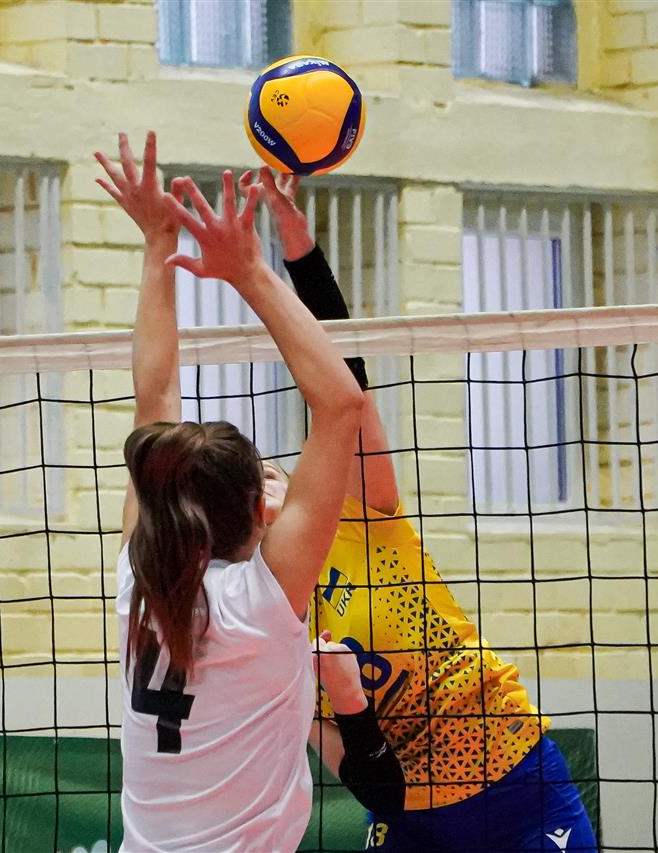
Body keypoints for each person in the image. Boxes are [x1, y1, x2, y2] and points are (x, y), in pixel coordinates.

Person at [244, 165, 598, 852]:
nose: (260, 480)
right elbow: (344, 762)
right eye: (243, 481)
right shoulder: (252, 609)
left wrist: (299, 251)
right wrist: (350, 714)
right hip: (408, 811)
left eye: (268, 468)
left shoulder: (357, 513)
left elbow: (345, 382)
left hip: (514, 784)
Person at [95, 130, 395, 851]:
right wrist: (248, 271)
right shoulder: (253, 601)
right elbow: (341, 404)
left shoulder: (142, 582)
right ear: (261, 511)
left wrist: (160, 243)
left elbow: (155, 397)